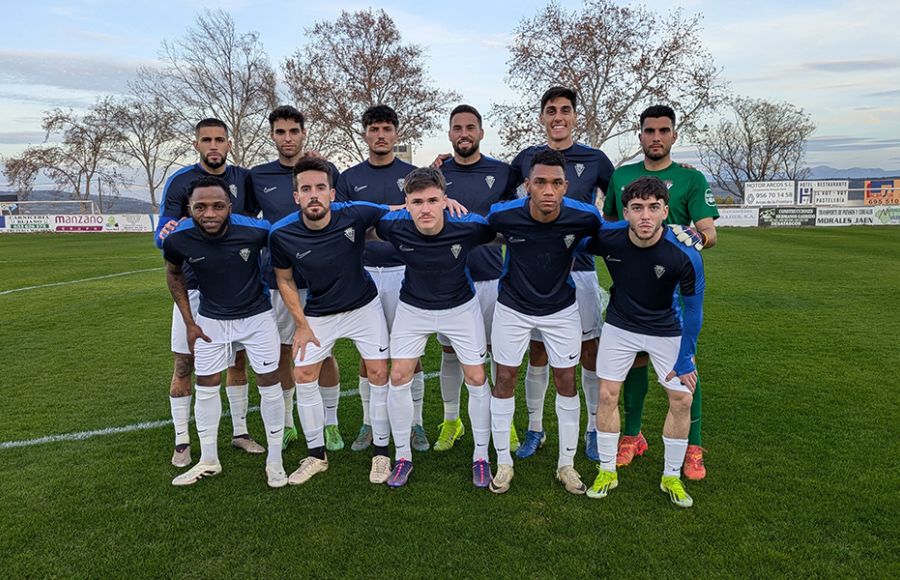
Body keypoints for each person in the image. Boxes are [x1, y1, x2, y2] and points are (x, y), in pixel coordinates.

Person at [602, 105, 718, 480]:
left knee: (685, 370)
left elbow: (709, 233)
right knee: (632, 363)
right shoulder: (622, 176)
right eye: (649, 130)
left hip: (673, 293)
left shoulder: (691, 178)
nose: (656, 137)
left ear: (673, 136)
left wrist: (694, 235)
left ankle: (693, 447)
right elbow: (608, 229)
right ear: (639, 135)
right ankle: (632, 436)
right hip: (631, 290)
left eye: (663, 131)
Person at [269, 157, 394, 485]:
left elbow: (399, 208)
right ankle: (316, 455)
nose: (314, 194)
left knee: (379, 372)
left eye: (320, 188)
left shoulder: (355, 213)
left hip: (364, 307)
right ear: (296, 196)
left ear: (332, 193)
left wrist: (442, 202)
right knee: (303, 373)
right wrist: (301, 324)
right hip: (320, 312)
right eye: (306, 188)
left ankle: (381, 453)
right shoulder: (281, 234)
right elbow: (284, 280)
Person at [485, 149, 603, 495]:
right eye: (540, 182)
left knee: (566, 380)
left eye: (555, 183)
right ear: (527, 186)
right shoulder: (503, 215)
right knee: (504, 377)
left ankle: (566, 464)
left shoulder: (585, 216)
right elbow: (473, 231)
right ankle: (503, 462)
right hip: (513, 307)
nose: (548, 190)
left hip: (561, 308)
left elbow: (614, 237)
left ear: (566, 186)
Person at [582, 176, 705, 508]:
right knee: (607, 395)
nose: (645, 216)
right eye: (637, 208)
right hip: (621, 326)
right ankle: (607, 470)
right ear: (626, 213)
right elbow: (570, 237)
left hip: (667, 329)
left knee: (681, 400)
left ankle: (671, 476)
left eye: (653, 208)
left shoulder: (685, 253)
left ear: (666, 211)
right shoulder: (609, 238)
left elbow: (694, 311)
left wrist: (686, 357)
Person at [508, 87, 615, 462]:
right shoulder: (525, 160)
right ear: (541, 117)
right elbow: (500, 206)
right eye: (551, 110)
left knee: (588, 353)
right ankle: (535, 428)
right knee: (536, 352)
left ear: (575, 116)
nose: (558, 116)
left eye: (565, 110)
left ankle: (590, 430)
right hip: (532, 275)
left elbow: (618, 208)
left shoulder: (596, 159)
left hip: (581, 273)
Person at [374, 167, 496, 488]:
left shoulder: (468, 225)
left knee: (477, 376)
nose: (425, 209)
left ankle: (481, 457)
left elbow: (499, 228)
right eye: (417, 202)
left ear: (445, 200)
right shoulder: (393, 225)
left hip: (460, 307)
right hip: (413, 307)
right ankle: (403, 457)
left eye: (432, 200)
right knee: (399, 376)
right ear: (406, 204)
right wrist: (388, 209)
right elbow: (363, 217)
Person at [162, 176, 286, 488]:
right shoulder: (178, 239)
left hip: (257, 319)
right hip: (211, 321)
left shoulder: (256, 230)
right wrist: (190, 323)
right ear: (189, 210)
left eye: (218, 206)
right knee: (206, 386)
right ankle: (208, 460)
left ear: (229, 206)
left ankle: (275, 460)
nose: (210, 213)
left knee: (270, 385)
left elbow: (287, 246)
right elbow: (174, 273)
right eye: (200, 207)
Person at [155, 118, 264, 468]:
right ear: (196, 144)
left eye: (219, 139)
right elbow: (163, 236)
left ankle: (241, 432)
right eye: (207, 140)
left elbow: (262, 218)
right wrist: (169, 231)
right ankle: (182, 440)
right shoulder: (180, 182)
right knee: (185, 362)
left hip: (238, 287)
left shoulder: (243, 179)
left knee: (238, 360)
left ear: (229, 144)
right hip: (195, 288)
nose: (213, 145)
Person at [249, 106, 344, 453]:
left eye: (293, 131)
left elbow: (344, 214)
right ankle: (289, 423)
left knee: (324, 350)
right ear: (272, 136)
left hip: (322, 279)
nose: (287, 138)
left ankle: (330, 424)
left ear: (304, 133)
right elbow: (244, 221)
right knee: (284, 351)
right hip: (279, 279)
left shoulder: (325, 170)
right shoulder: (256, 176)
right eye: (280, 132)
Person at [335, 105, 427, 453]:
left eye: (387, 128)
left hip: (406, 272)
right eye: (374, 129)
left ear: (396, 133)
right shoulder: (349, 177)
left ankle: (416, 423)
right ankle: (369, 423)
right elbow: (344, 225)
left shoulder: (413, 174)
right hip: (366, 274)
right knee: (368, 352)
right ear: (365, 134)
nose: (381, 135)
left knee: (409, 351)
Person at [432, 105, 518, 453]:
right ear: (450, 134)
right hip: (447, 280)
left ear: (481, 132)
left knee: (498, 353)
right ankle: (452, 421)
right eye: (457, 128)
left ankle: (504, 423)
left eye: (470, 127)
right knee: (450, 352)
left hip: (490, 278)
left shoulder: (502, 172)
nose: (464, 133)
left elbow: (517, 213)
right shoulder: (436, 173)